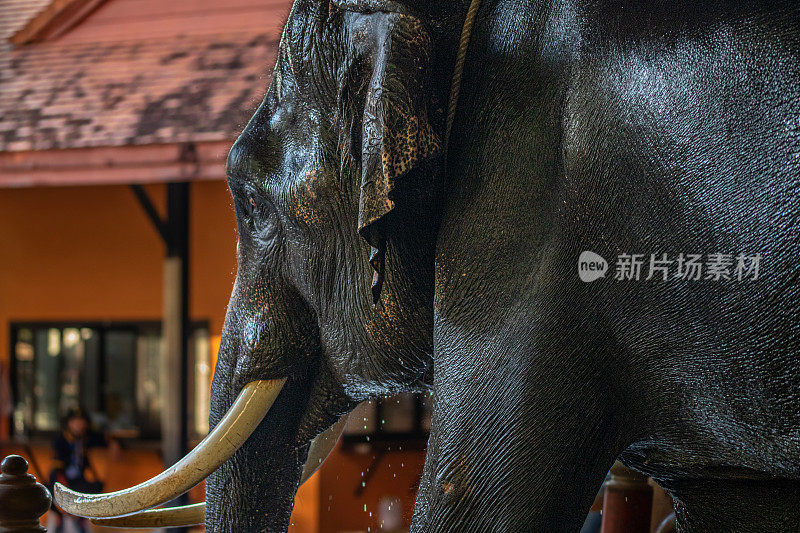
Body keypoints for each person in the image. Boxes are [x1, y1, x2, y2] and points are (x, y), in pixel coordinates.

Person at [49, 407, 107, 533]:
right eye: (75, 421)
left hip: (80, 482)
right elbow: (57, 470)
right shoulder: (61, 439)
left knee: (95, 490)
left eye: (81, 421)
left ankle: (79, 520)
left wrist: (115, 443)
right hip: (61, 481)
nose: (78, 425)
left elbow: (104, 439)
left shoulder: (86, 437)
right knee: (58, 507)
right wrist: (63, 494)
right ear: (68, 423)